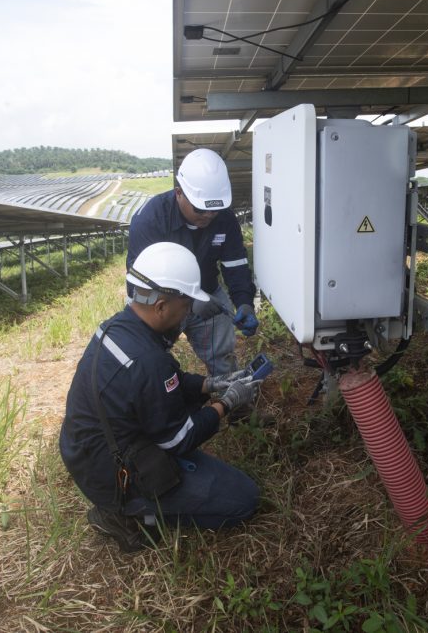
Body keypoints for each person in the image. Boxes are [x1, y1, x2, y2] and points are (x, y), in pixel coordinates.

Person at [60, 242, 261, 553]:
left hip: (92, 450)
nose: (190, 312)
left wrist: (210, 385)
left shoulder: (119, 327)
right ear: (162, 306)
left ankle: (132, 501)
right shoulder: (148, 361)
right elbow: (180, 439)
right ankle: (127, 512)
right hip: (112, 472)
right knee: (243, 500)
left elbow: (162, 386)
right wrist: (227, 403)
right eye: (186, 304)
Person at [127, 148, 259, 377]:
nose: (209, 216)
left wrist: (244, 302)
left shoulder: (225, 220)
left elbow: (235, 266)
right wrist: (187, 300)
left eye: (215, 210)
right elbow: (137, 286)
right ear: (179, 192)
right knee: (147, 357)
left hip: (208, 291)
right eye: (201, 209)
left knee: (222, 355)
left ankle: (231, 399)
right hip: (160, 301)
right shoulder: (151, 219)